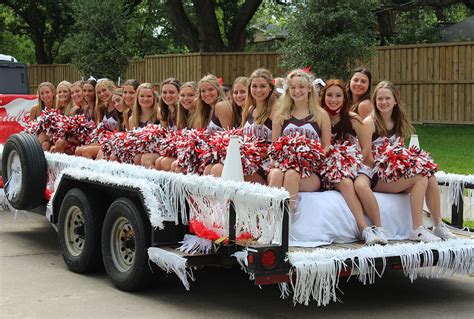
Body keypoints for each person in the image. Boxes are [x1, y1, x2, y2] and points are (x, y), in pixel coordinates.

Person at [354, 81, 455, 242]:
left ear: (395, 101)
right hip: (375, 173)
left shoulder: (398, 121)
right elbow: (366, 156)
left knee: (429, 174)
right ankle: (417, 229)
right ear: (374, 101)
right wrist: (386, 165)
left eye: (387, 98)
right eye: (380, 99)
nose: (384, 102)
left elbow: (399, 150)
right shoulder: (369, 122)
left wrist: (404, 164)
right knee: (421, 176)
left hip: (392, 174)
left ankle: (438, 225)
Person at [320, 79, 387, 245]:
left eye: (338, 95)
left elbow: (366, 148)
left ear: (344, 98)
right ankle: (364, 229)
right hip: (329, 169)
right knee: (346, 184)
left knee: (360, 185)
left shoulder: (353, 119)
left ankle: (379, 228)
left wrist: (351, 163)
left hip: (354, 165)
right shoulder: (319, 117)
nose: (333, 99)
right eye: (329, 95)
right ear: (323, 97)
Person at [267, 69, 331, 210]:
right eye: (293, 87)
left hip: (310, 172)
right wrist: (275, 161)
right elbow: (274, 145)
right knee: (277, 174)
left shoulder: (321, 115)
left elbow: (327, 146)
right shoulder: (281, 115)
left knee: (291, 174)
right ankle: (267, 219)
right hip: (281, 167)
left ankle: (285, 221)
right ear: (288, 90)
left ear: (309, 89)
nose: (297, 91)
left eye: (301, 87)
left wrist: (311, 157)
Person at [210, 70, 274, 182]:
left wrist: (260, 153)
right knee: (216, 169)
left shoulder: (274, 110)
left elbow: (277, 145)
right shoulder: (249, 110)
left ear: (270, 88)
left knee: (220, 172)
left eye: (262, 86)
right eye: (254, 86)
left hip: (265, 164)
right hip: (248, 162)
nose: (258, 90)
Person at [141, 78, 180, 168]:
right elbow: (165, 136)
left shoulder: (182, 112)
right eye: (164, 92)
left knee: (162, 162)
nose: (167, 95)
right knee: (145, 158)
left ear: (179, 93)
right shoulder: (162, 112)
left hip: (180, 149)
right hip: (170, 148)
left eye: (171, 92)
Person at [29, 82, 56, 150]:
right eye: (42, 93)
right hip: (40, 139)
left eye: (47, 92)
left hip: (55, 137)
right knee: (45, 144)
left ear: (53, 93)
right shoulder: (35, 109)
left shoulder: (59, 106)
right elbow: (30, 129)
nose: (45, 95)